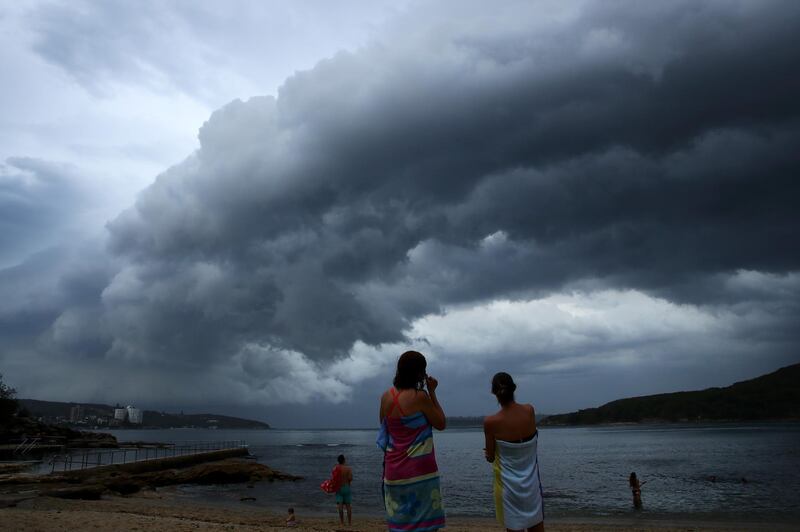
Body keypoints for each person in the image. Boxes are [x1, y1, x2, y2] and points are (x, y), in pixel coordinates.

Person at [378, 350, 446, 532]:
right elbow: (441, 423)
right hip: (419, 473)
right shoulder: (420, 397)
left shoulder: (386, 397)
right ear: (419, 372)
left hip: (393, 471)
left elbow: (385, 429)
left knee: (400, 523)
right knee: (425, 524)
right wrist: (432, 392)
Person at [483, 372, 544, 532]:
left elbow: (490, 457)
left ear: (494, 392)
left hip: (508, 487)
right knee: (537, 527)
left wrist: (488, 453)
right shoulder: (529, 411)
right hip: (531, 485)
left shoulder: (490, 422)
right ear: (514, 388)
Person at [335, 454, 353, 526]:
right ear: (344, 460)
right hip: (346, 487)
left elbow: (334, 479)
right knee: (348, 506)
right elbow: (350, 478)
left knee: (340, 505)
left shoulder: (335, 468)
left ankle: (342, 522)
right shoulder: (348, 469)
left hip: (338, 488)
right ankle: (349, 523)